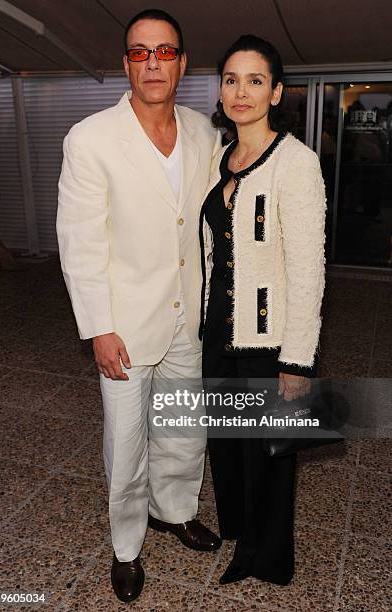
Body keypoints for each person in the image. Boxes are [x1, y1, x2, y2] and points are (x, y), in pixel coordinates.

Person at [57, 9, 221, 604]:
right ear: (126, 62)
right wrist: (99, 327)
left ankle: (174, 510)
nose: (153, 62)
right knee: (126, 442)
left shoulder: (206, 134)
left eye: (165, 51)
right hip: (124, 321)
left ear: (183, 63)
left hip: (189, 316)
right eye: (140, 52)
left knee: (183, 427)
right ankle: (126, 546)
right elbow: (80, 242)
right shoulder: (91, 138)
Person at [199, 35, 326, 586]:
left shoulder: (296, 163)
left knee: (269, 457)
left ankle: (266, 557)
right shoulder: (218, 156)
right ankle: (238, 533)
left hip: (267, 337)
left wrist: (297, 360)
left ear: (276, 91)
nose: (241, 91)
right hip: (217, 330)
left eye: (255, 80)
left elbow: (308, 269)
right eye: (231, 79)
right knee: (227, 443)